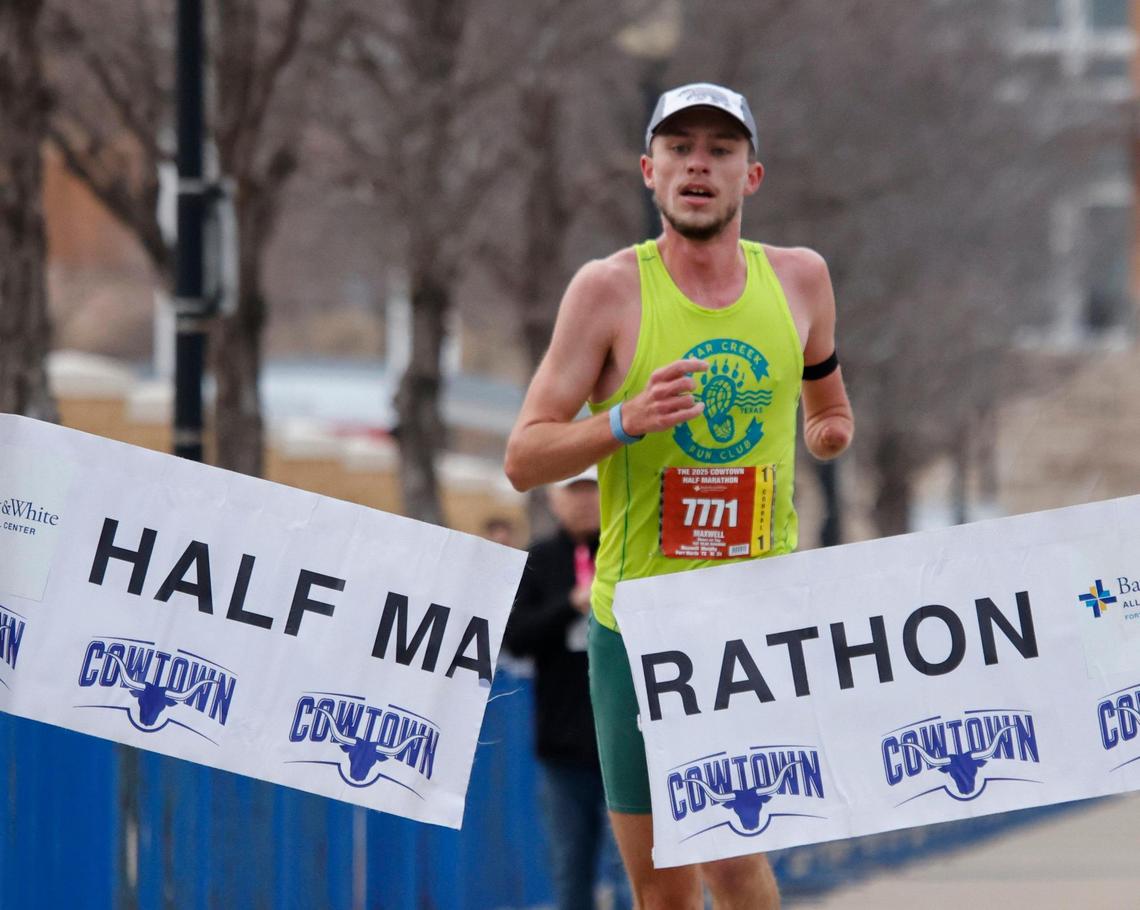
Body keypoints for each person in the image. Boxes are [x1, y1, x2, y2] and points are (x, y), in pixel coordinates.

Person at [503, 82, 855, 910]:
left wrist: (829, 430)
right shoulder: (608, 290)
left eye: (720, 150)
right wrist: (622, 421)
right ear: (649, 172)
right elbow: (523, 457)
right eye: (680, 148)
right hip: (638, 627)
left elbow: (827, 396)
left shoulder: (802, 280)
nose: (699, 164)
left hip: (752, 621)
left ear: (752, 176)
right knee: (659, 887)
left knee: (736, 863)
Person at [503, 468, 631, 910]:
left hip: (632, 745)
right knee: (570, 869)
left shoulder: (630, 553)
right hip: (562, 746)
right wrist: (570, 605)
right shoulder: (536, 561)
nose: (582, 502)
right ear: (554, 501)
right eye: (573, 493)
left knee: (640, 873)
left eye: (591, 492)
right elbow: (515, 636)